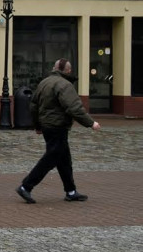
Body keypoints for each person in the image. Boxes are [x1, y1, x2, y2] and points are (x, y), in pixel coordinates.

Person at [17, 58, 99, 204]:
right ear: (68, 70)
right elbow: (74, 108)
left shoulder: (45, 82)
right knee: (51, 158)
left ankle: (71, 191)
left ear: (54, 68)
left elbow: (34, 106)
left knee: (64, 160)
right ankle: (26, 186)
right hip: (58, 127)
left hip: (48, 126)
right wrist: (90, 123)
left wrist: (37, 126)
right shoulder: (65, 85)